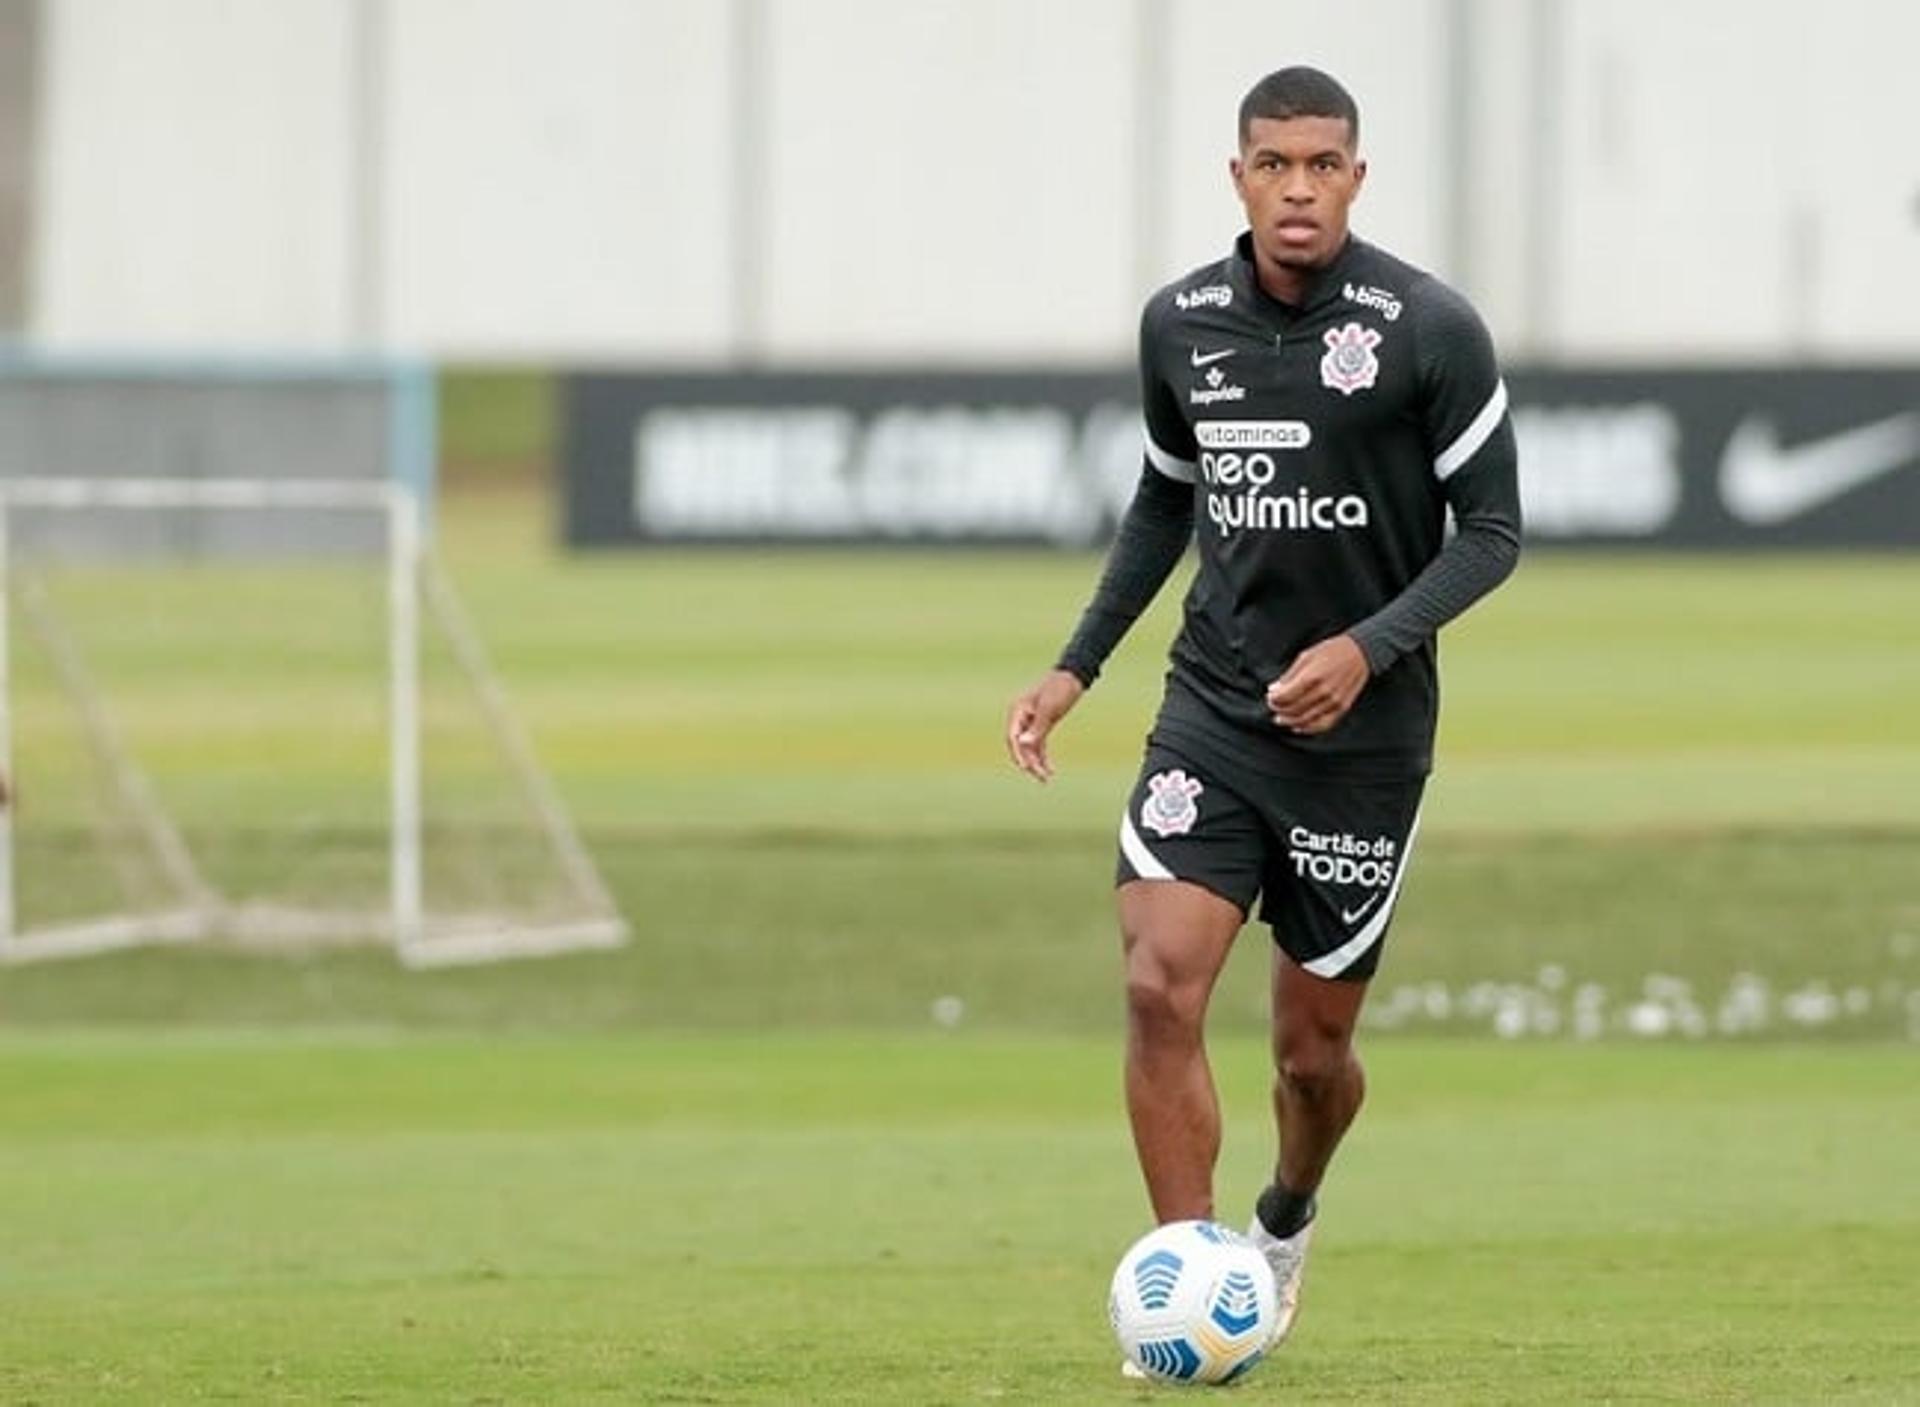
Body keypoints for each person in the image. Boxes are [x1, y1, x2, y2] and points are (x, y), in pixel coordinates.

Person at [1003, 65, 1521, 1353]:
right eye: (1274, 165)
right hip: (1213, 716)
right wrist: (1078, 666)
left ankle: (1282, 1218)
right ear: (1237, 176)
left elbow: (1494, 534)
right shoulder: (1180, 325)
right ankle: (1191, 1288)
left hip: (1363, 745)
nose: (1299, 188)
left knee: (1309, 1056)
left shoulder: (1427, 329)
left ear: (1357, 175)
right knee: (1157, 987)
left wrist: (1368, 644)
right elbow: (1166, 501)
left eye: (1324, 165)